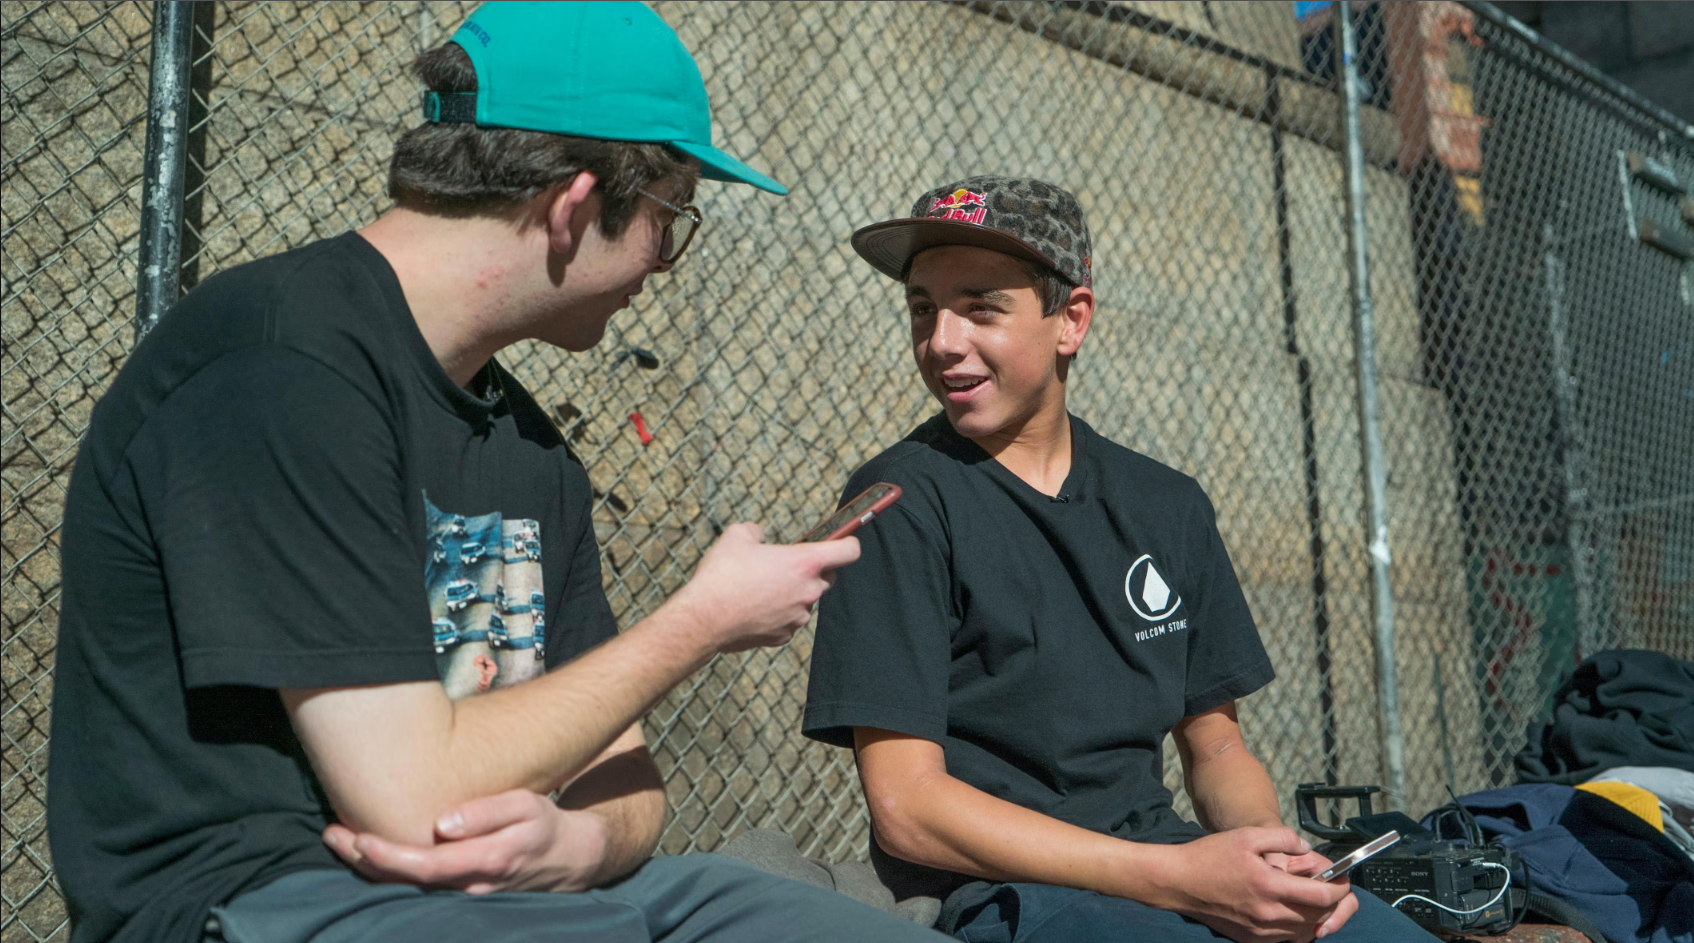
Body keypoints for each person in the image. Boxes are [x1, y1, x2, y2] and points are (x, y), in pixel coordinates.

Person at [46, 4, 947, 942]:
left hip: (517, 899)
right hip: (269, 896)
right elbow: (409, 795)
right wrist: (701, 622)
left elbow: (626, 782)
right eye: (670, 218)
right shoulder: (279, 367)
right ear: (573, 208)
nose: (663, 263)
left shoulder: (529, 449)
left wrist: (581, 844)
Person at [801, 176, 1438, 943]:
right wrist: (1180, 879)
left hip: (1169, 865)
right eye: (922, 309)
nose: (942, 341)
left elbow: (1218, 744)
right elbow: (908, 810)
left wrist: (1268, 859)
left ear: (1070, 320)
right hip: (1015, 894)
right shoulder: (897, 501)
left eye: (980, 307)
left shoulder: (1165, 504)